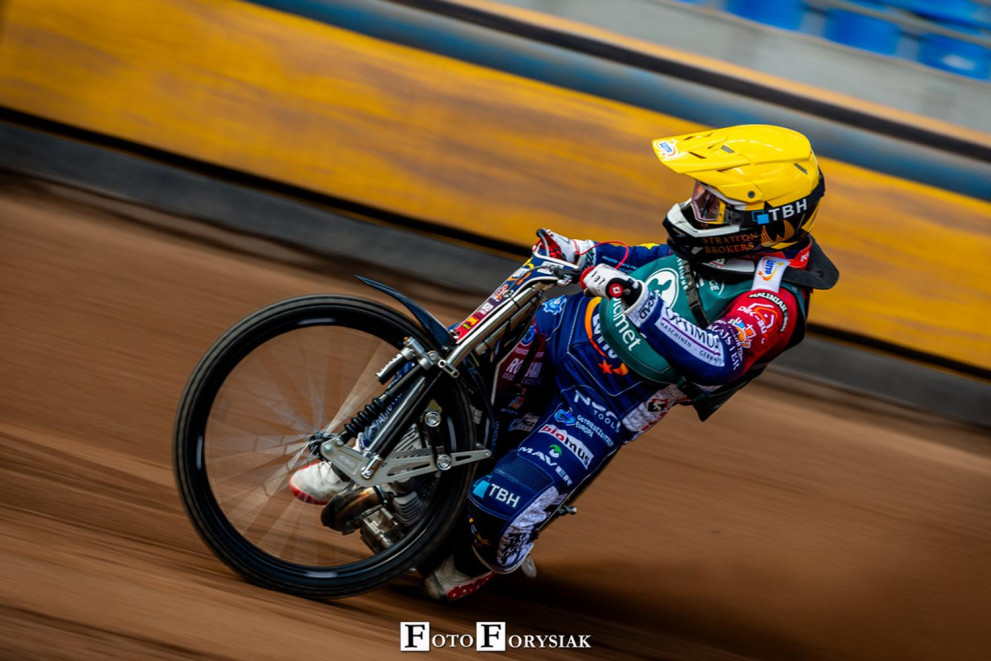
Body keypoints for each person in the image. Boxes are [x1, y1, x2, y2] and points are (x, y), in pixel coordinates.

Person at [290, 124, 838, 601]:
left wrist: (639, 304)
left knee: (492, 515)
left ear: (767, 221)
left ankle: (483, 554)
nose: (695, 209)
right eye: (698, 193)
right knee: (451, 366)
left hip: (602, 406)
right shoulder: (722, 242)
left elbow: (719, 359)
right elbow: (653, 258)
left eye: (712, 205)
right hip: (557, 329)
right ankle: (357, 454)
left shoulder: (778, 300)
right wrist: (583, 251)